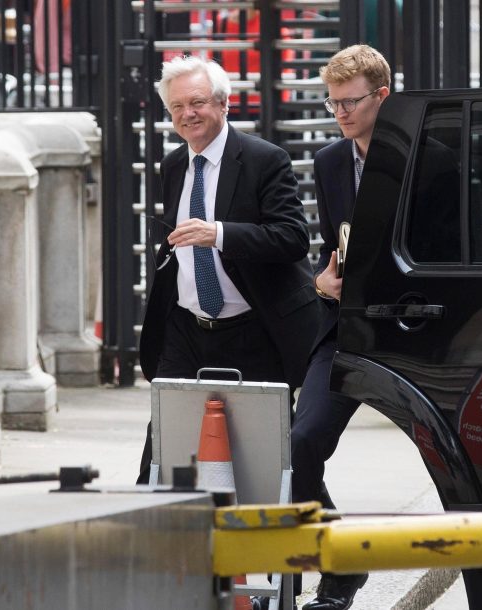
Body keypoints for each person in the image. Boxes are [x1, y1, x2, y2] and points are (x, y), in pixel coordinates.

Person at [136, 55, 320, 485]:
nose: (188, 114)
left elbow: (292, 238)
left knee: (271, 449)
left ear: (223, 104)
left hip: (252, 328)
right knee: (163, 439)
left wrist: (218, 233)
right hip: (185, 326)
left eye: (197, 102)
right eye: (177, 107)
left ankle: (312, 520)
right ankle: (151, 526)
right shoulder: (174, 164)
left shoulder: (264, 159)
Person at [289, 44, 390, 610]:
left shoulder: (427, 157)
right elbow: (333, 246)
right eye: (332, 105)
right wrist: (320, 282)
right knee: (298, 444)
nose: (341, 114)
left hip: (415, 329)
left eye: (349, 102)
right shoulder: (329, 163)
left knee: (461, 472)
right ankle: (343, 564)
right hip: (346, 326)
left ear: (382, 96)